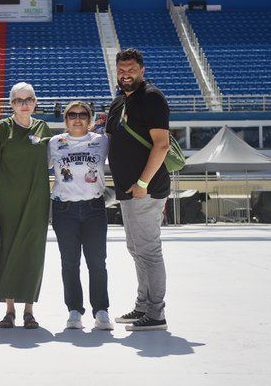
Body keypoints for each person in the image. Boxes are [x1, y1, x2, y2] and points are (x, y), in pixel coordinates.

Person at [106, 49, 171, 332]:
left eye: (131, 69)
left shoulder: (151, 97)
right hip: (127, 191)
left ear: (142, 70)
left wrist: (143, 183)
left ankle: (156, 313)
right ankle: (143, 306)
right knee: (137, 249)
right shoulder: (119, 102)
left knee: (149, 251)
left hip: (145, 189)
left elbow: (162, 145)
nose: (126, 74)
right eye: (121, 70)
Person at [0, 82, 52, 329]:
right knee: (7, 250)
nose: (24, 104)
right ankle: (10, 309)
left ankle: (29, 310)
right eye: (19, 100)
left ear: (35, 102)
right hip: (6, 201)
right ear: (11, 104)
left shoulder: (44, 128)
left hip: (36, 201)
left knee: (33, 253)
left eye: (29, 99)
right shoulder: (2, 127)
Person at [49, 101, 113, 331]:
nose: (77, 118)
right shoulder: (54, 143)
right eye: (72, 115)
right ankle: (74, 310)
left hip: (94, 207)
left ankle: (101, 310)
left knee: (97, 262)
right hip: (64, 209)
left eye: (83, 114)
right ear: (65, 120)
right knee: (69, 262)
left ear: (89, 118)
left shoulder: (101, 141)